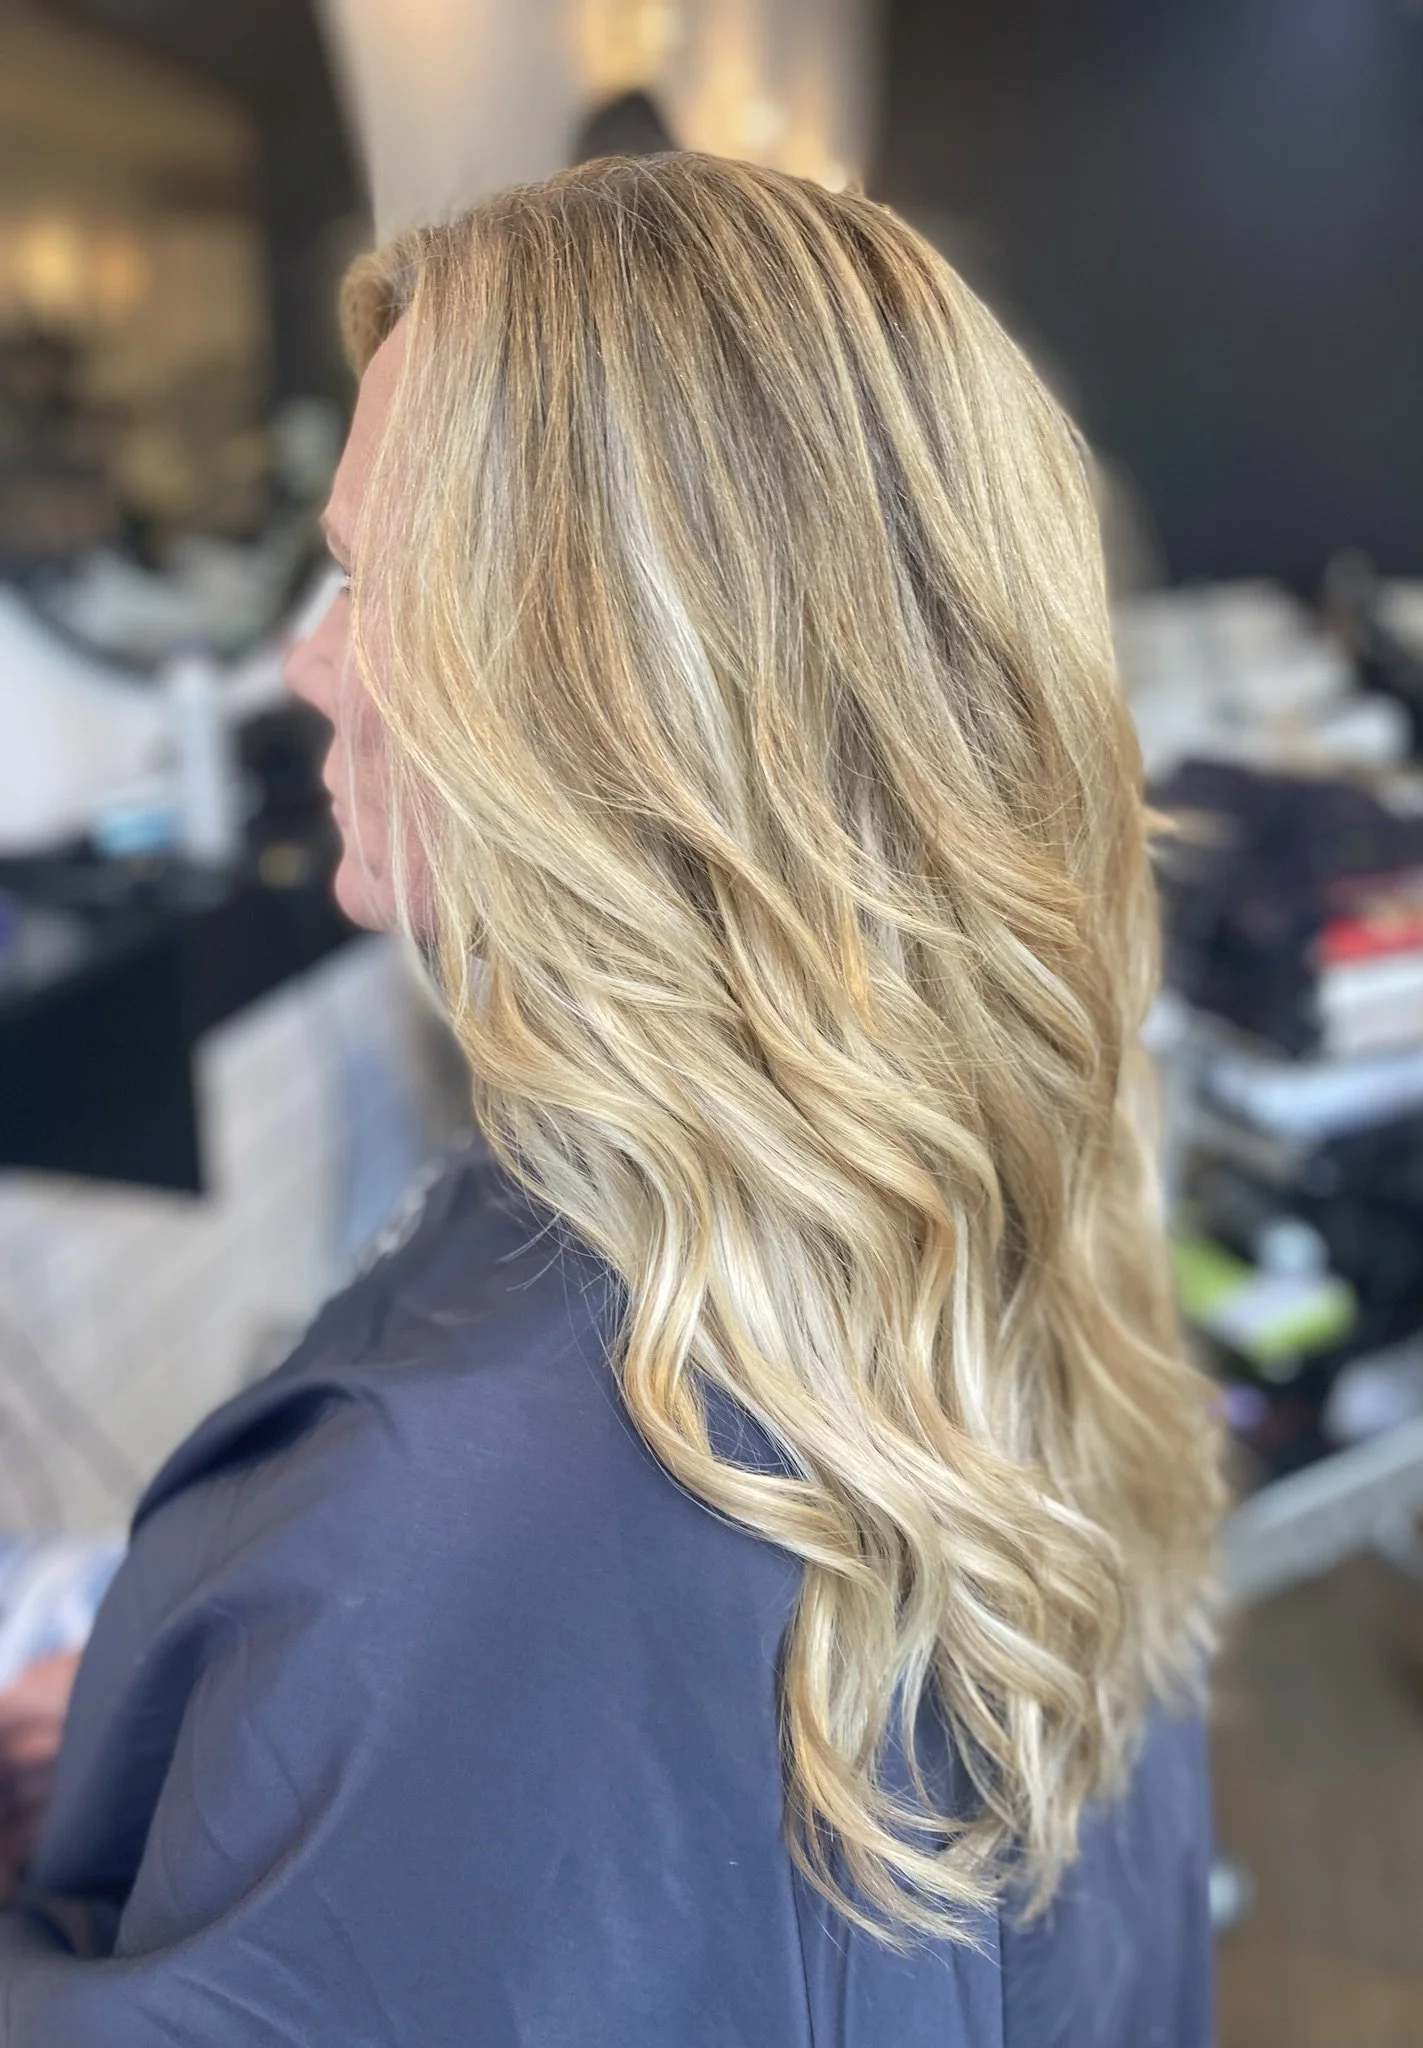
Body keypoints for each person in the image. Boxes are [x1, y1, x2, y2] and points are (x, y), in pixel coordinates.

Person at [0, 152, 1224, 2044]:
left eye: (361, 583)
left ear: (608, 692)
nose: (306, 667)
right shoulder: (990, 1177)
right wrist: (201, 1710)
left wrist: (288, 1713)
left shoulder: (468, 1521)